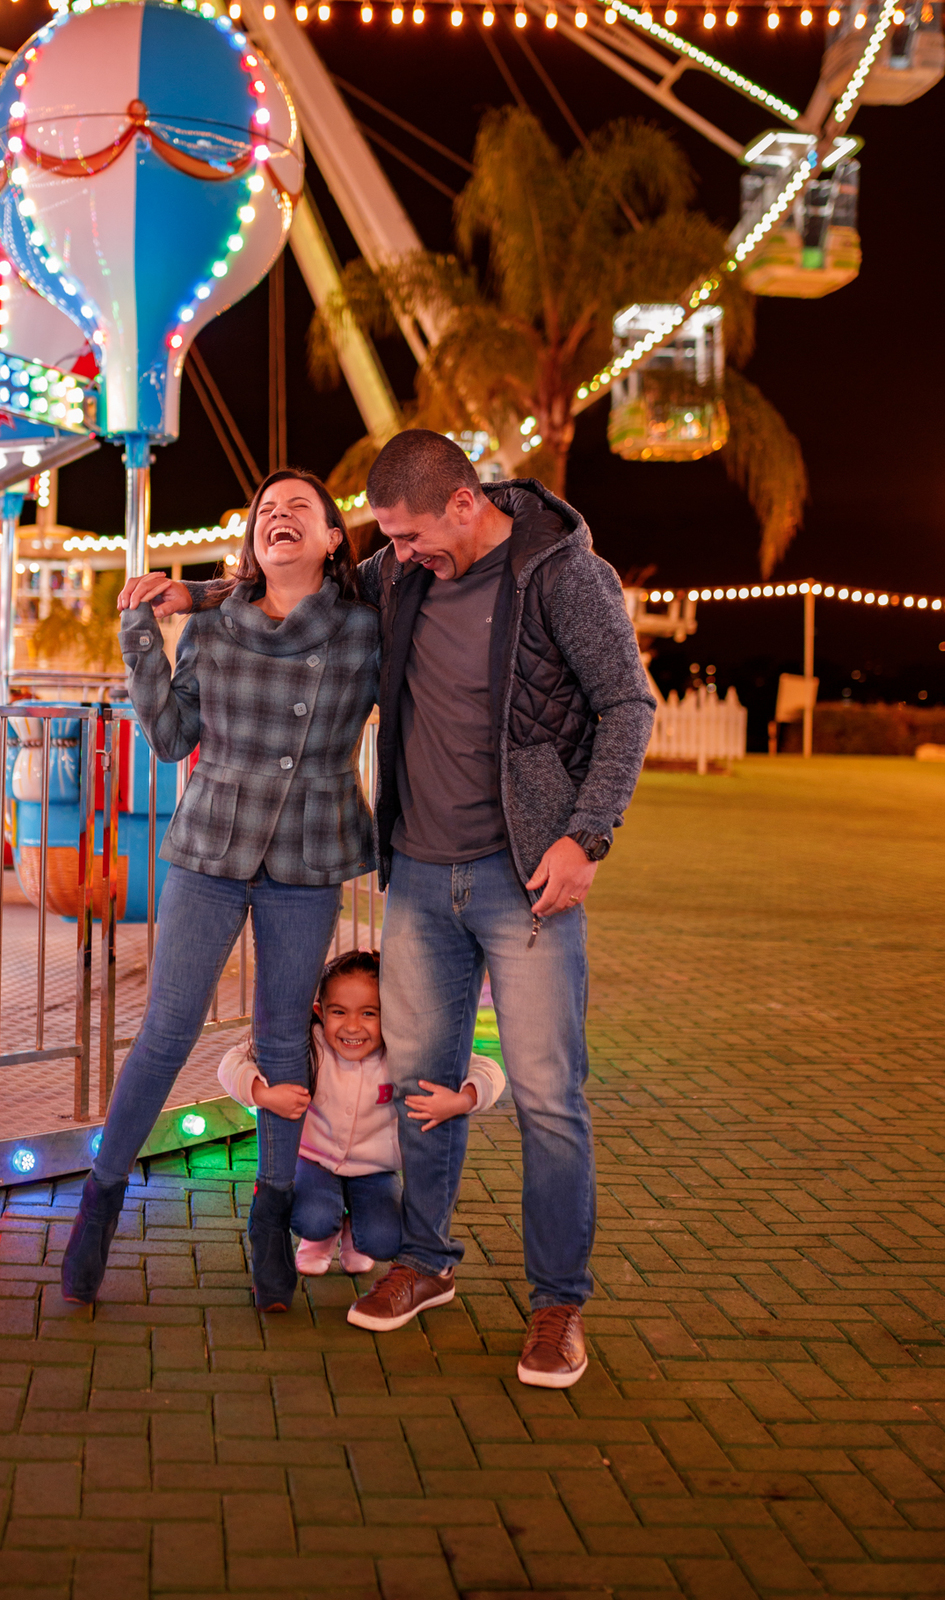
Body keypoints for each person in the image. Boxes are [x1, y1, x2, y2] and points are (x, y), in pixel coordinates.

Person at [145, 428, 655, 1386]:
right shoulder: (405, 572)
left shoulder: (564, 576)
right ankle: (424, 1262)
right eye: (390, 541)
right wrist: (189, 595)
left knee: (548, 1095)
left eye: (413, 537)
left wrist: (586, 835)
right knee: (423, 1079)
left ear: (464, 503)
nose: (401, 556)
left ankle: (557, 1306)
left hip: (528, 875)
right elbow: (302, 580)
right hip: (418, 872)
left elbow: (628, 706)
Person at [59, 469, 379, 1313]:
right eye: (266, 511)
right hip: (209, 846)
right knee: (165, 1031)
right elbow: (168, 739)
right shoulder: (218, 624)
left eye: (297, 510)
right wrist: (139, 630)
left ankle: (271, 1218)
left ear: (333, 537)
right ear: (251, 539)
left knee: (283, 1039)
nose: (278, 518)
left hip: (308, 852)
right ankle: (100, 1201)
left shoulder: (361, 630)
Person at [218, 946, 504, 1280]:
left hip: (375, 1170)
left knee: (385, 1240)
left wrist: (462, 1101)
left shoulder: (406, 1048)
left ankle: (354, 1226)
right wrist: (262, 1095)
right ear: (319, 1011)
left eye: (369, 1013)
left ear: (391, 1014)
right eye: (339, 1012)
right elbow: (232, 1062)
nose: (353, 1027)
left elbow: (487, 1068)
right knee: (312, 1217)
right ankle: (321, 1237)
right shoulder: (309, 1044)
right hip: (314, 1160)